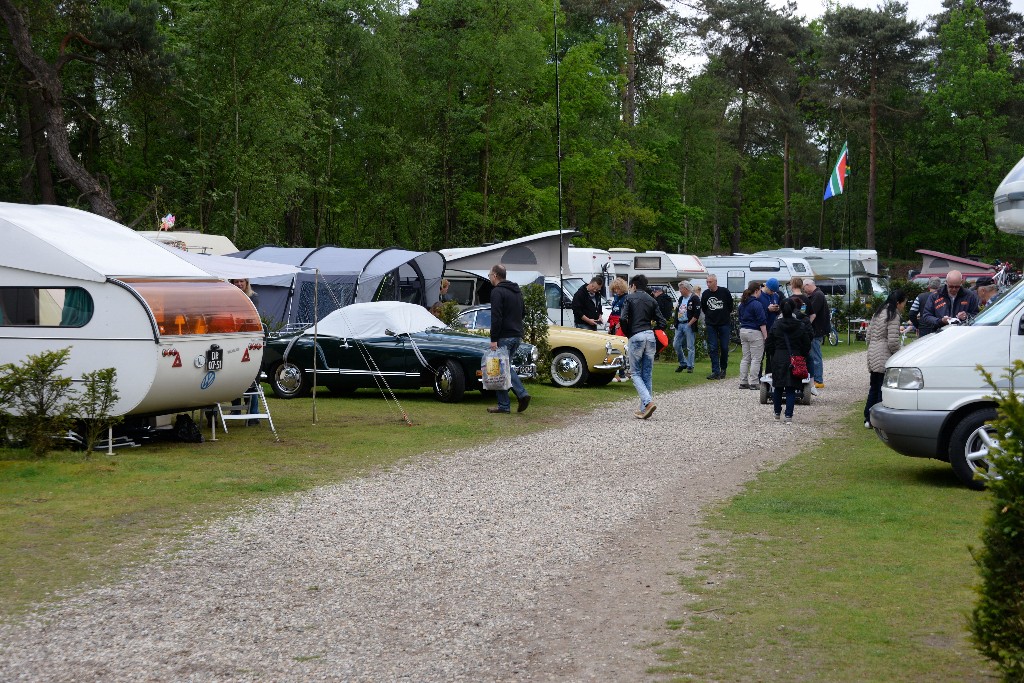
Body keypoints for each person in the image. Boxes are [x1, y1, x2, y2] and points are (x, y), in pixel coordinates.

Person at [619, 273, 666, 419]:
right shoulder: (652, 300)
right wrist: (652, 328)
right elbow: (662, 322)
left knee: (635, 373)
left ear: (633, 285)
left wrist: (628, 333)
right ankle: (644, 408)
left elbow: (622, 317)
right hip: (650, 336)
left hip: (636, 335)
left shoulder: (630, 297)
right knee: (647, 373)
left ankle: (648, 402)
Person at [486, 264, 531, 414]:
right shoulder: (516, 291)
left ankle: (521, 394)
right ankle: (504, 405)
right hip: (517, 334)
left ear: (495, 276)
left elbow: (496, 317)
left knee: (503, 368)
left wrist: (494, 338)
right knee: (501, 368)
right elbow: (523, 312)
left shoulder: (497, 292)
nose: (489, 277)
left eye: (490, 275)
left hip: (504, 336)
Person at [864, 290, 907, 429]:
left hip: (872, 353)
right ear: (898, 302)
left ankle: (868, 417)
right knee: (881, 390)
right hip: (883, 354)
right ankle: (877, 420)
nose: (904, 307)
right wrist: (899, 354)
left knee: (874, 388)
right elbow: (893, 341)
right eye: (904, 303)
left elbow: (868, 336)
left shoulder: (878, 312)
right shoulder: (893, 315)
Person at [765, 299, 812, 425]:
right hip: (794, 356)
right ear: (793, 309)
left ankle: (776, 412)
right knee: (791, 388)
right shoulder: (800, 325)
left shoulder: (776, 324)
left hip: (779, 356)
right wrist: (802, 355)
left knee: (778, 387)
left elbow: (769, 343)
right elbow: (807, 344)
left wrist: (773, 354)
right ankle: (788, 415)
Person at [230, 277, 261, 425]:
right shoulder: (229, 298)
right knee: (234, 375)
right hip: (234, 342)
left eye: (242, 281)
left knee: (251, 377)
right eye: (236, 282)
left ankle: (253, 414)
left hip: (249, 341)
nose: (239, 284)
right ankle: (235, 409)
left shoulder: (253, 298)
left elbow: (250, 319)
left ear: (247, 283)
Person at [700, 274, 733, 380]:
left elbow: (730, 306)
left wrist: (724, 315)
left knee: (724, 347)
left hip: (724, 323)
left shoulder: (724, 292)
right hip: (711, 324)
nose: (708, 284)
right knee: (713, 347)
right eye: (707, 282)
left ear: (715, 282)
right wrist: (710, 317)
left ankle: (723, 369)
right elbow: (704, 308)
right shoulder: (705, 294)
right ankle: (715, 371)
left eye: (710, 282)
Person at [737, 283, 768, 389]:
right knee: (756, 358)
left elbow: (740, 317)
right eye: (760, 290)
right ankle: (754, 382)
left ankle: (743, 381)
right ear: (756, 291)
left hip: (743, 330)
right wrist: (765, 336)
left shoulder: (742, 304)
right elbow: (762, 321)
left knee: (746, 358)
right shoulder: (756, 304)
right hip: (754, 332)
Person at [802, 279, 830, 393]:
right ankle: (816, 378)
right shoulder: (816, 294)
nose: (804, 291)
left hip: (816, 330)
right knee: (813, 354)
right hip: (817, 329)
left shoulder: (817, 295)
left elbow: (812, 312)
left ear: (808, 285)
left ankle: (818, 380)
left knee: (815, 355)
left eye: (804, 288)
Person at [673, 280, 700, 373]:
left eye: (681, 289)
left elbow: (697, 314)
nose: (680, 290)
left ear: (685, 289)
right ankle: (683, 362)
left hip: (688, 324)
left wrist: (690, 324)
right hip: (680, 324)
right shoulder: (681, 298)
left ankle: (690, 365)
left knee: (690, 346)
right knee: (676, 344)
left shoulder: (694, 298)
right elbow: (678, 310)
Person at [607, 277, 629, 382]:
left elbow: (626, 313)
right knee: (613, 349)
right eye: (615, 289)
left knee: (620, 348)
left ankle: (622, 373)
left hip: (620, 325)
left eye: (618, 289)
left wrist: (620, 323)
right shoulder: (616, 298)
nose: (616, 291)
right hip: (613, 324)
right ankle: (615, 372)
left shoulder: (626, 298)